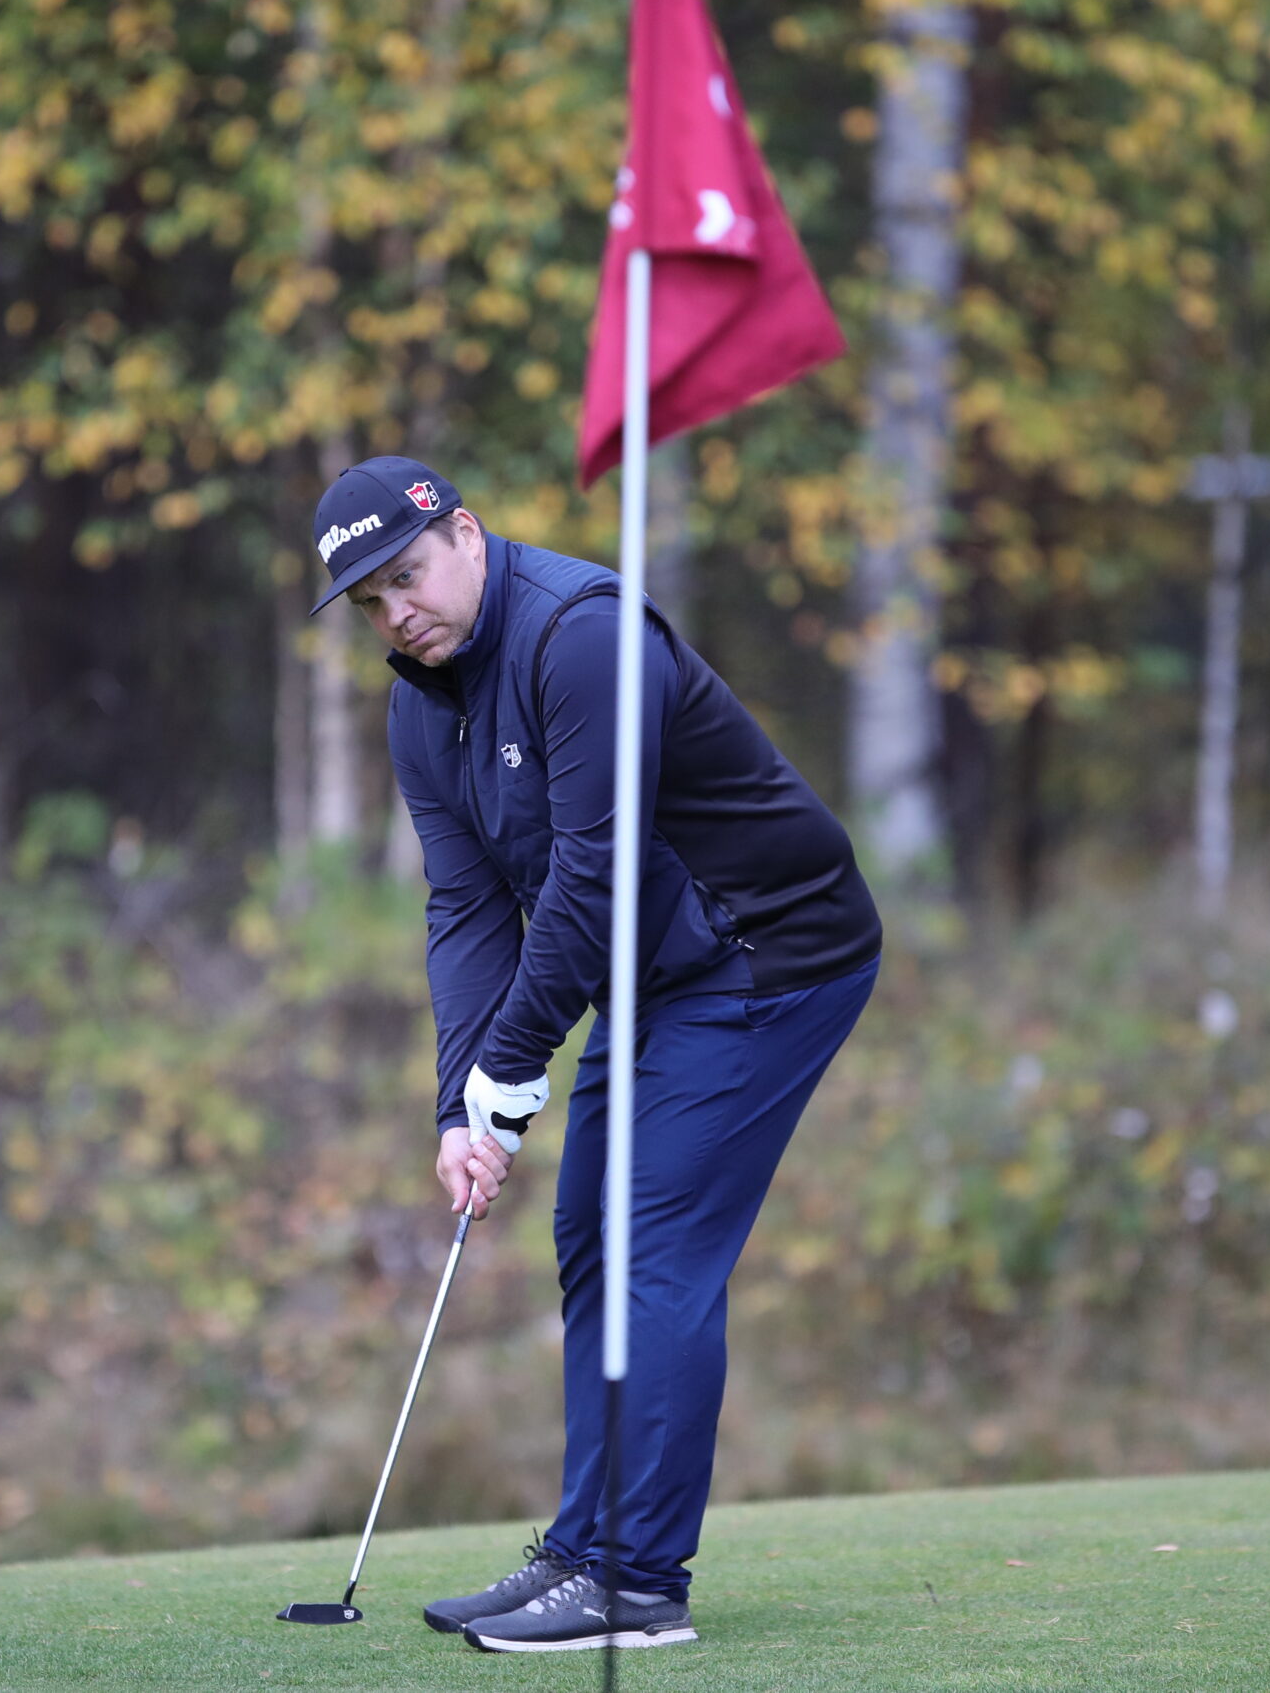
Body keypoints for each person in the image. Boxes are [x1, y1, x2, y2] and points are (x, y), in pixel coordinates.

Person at [308, 456, 883, 1653]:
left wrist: (515, 1063)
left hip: (769, 948)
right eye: (369, 601)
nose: (396, 612)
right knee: (588, 1235)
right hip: (652, 968)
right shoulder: (419, 707)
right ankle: (583, 1548)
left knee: (652, 1246)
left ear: (466, 535)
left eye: (407, 576)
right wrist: (461, 1107)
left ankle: (636, 1582)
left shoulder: (582, 638)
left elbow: (591, 875)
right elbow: (467, 909)